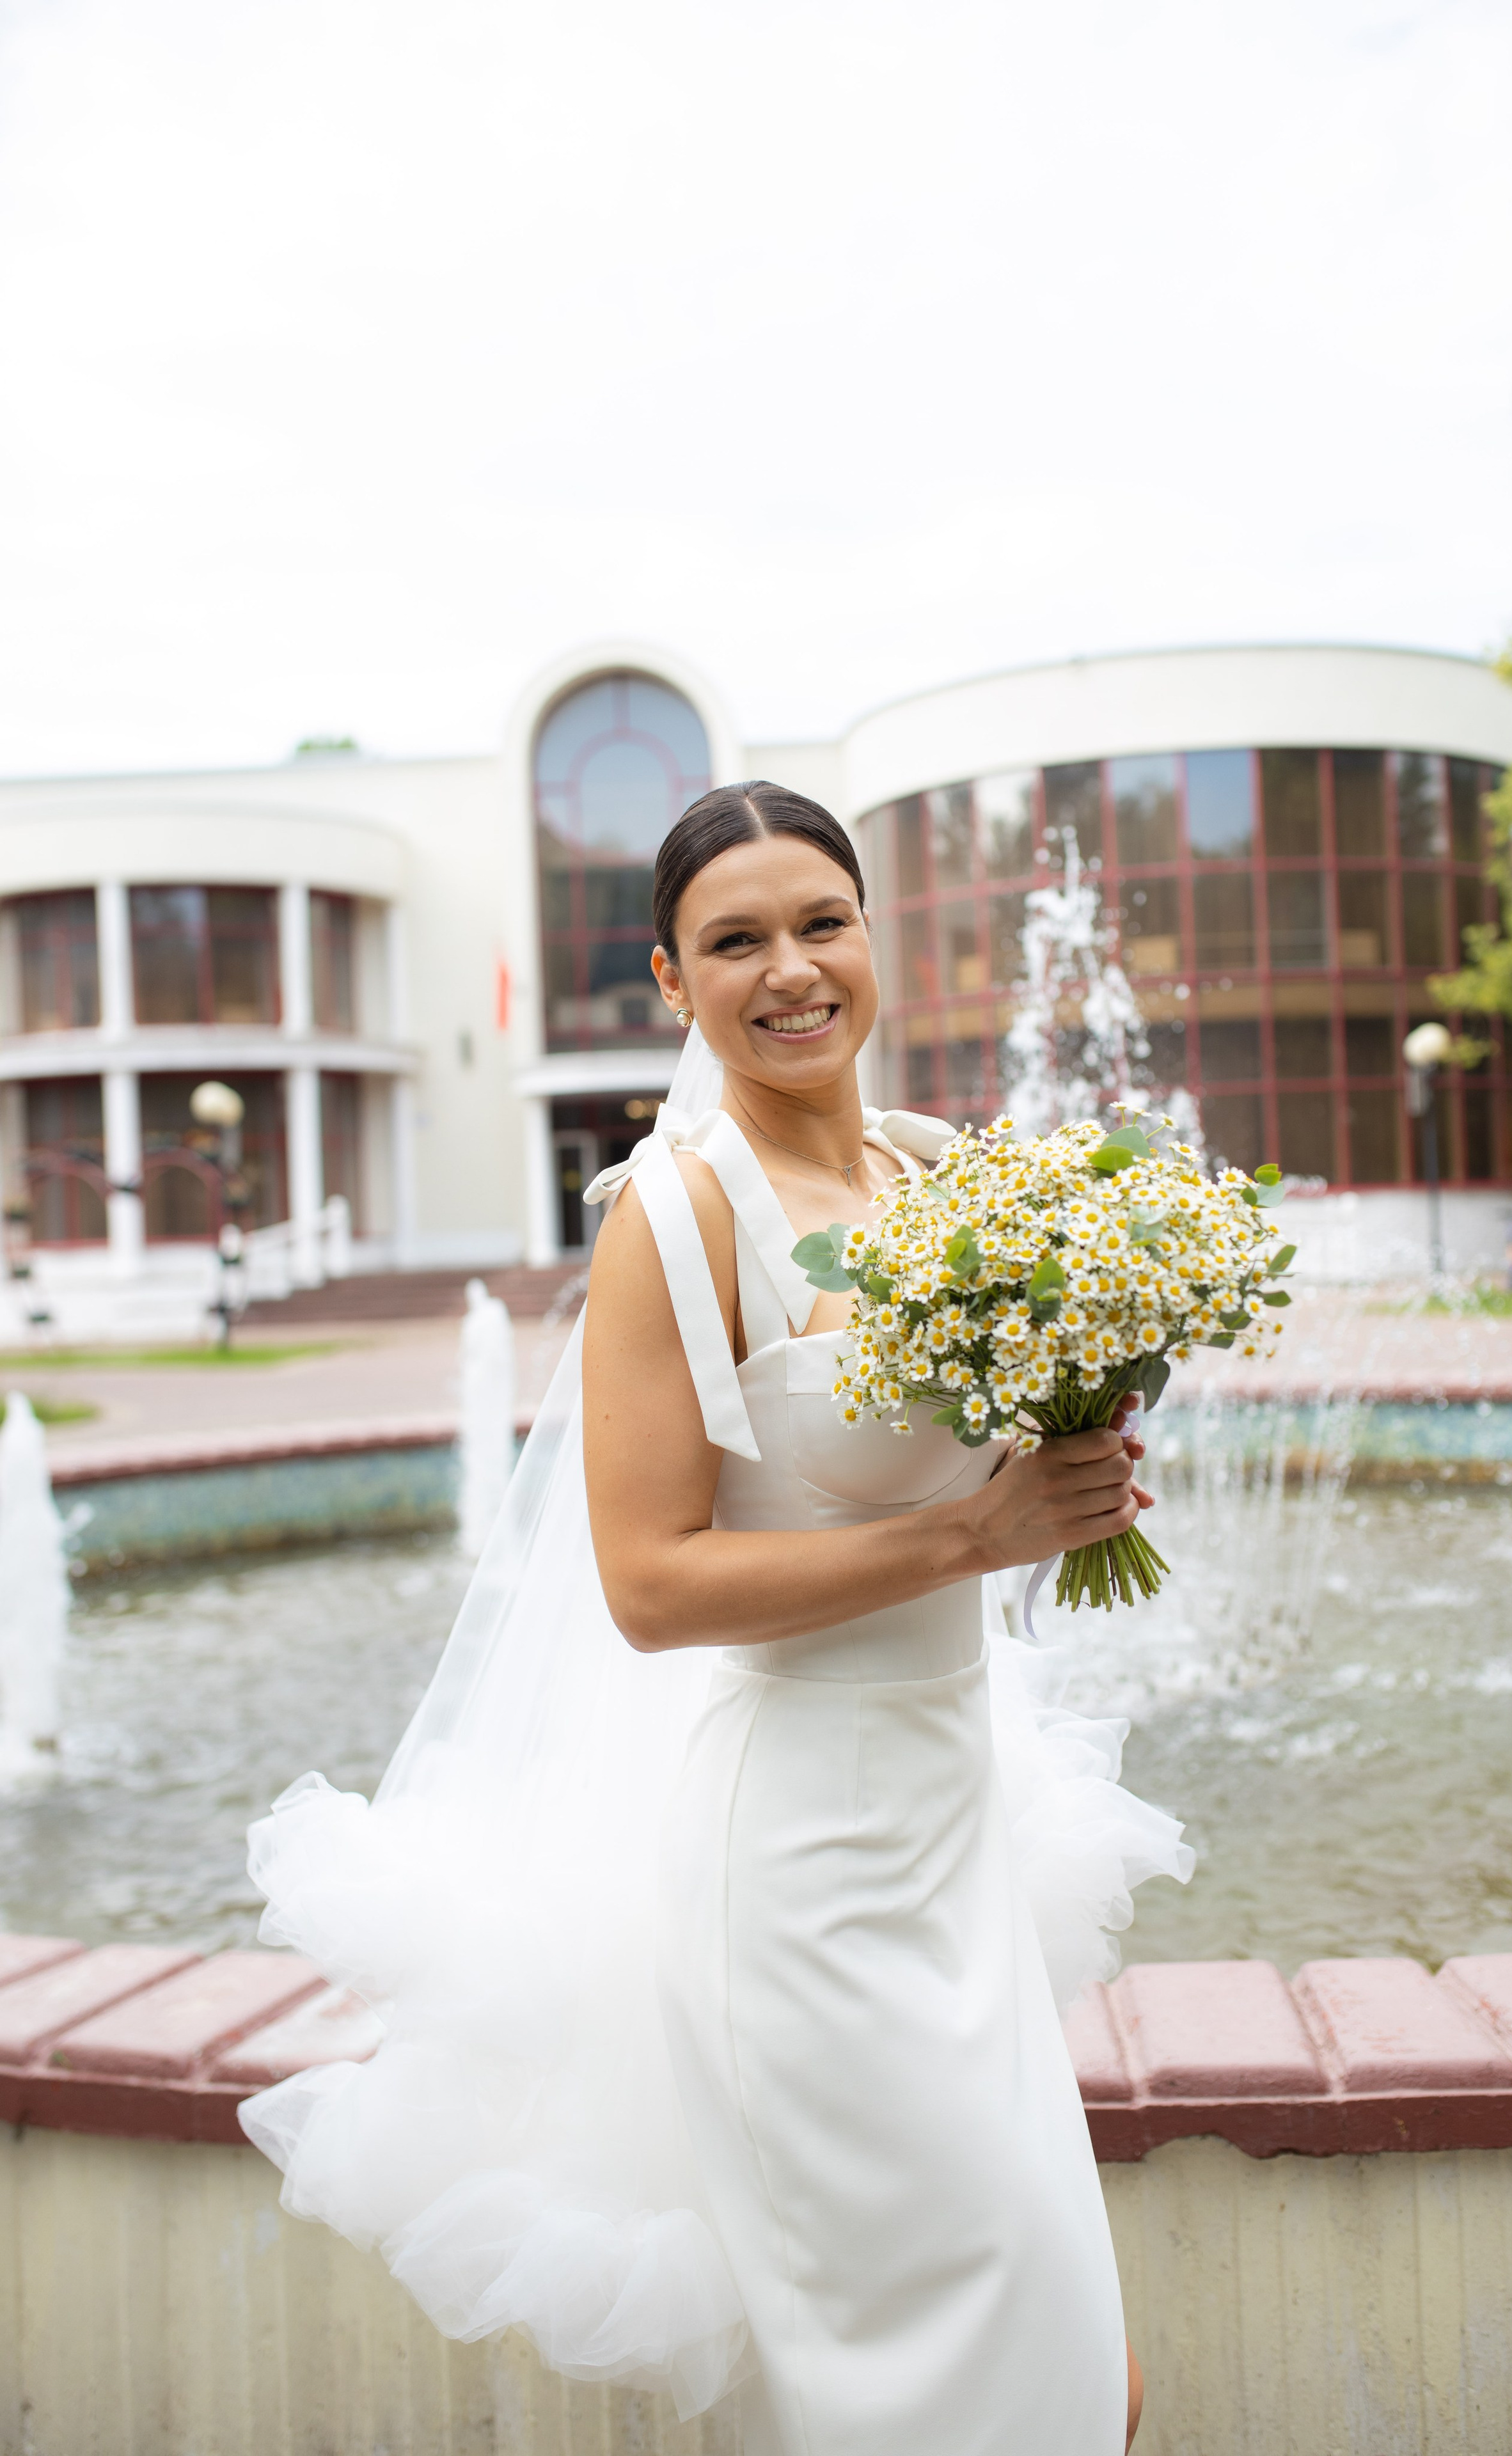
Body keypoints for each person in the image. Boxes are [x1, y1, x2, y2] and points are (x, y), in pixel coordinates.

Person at [240, 781, 1191, 2456]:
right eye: (734, 942)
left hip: (954, 1836)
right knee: (943, 2406)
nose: (792, 971)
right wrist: (975, 1529)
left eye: (821, 922)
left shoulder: (945, 1171)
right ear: (672, 985)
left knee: (1086, 2385)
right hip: (803, 1888)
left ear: (869, 936)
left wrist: (1082, 1466)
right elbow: (653, 1584)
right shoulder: (673, 1218)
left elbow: (982, 1492)